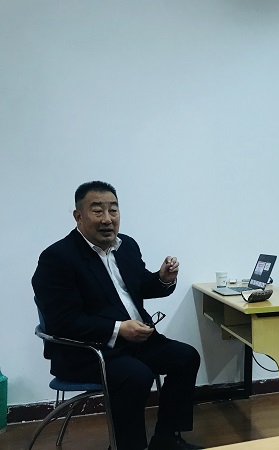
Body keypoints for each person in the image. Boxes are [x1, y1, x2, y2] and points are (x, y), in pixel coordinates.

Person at [32, 181, 202, 450]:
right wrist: (118, 329)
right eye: (97, 211)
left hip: (136, 342)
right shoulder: (57, 258)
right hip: (89, 350)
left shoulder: (127, 246)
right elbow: (62, 321)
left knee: (186, 357)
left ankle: (167, 439)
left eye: (113, 210)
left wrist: (162, 279)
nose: (107, 219)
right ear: (78, 216)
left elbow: (139, 286)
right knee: (137, 375)